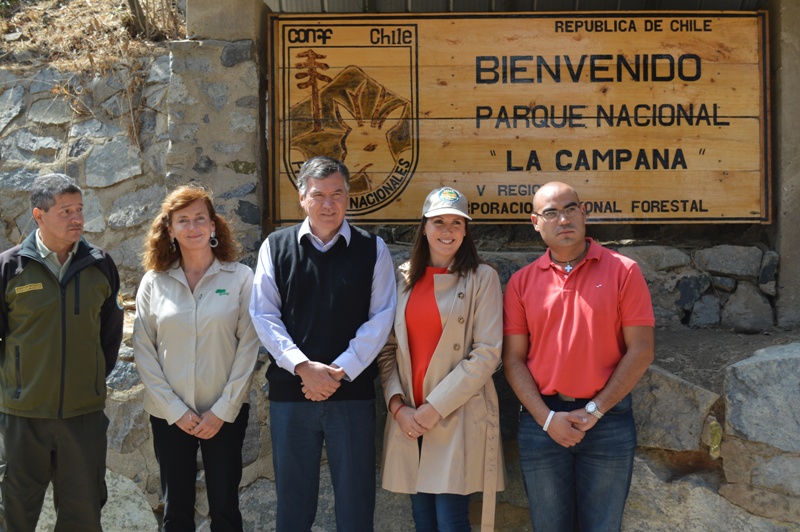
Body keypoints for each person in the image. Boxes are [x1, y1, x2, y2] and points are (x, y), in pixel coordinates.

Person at [249, 155, 396, 532]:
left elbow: (381, 318)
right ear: (301, 197)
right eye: (318, 195)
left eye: (337, 194)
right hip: (291, 396)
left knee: (356, 506)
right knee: (294, 508)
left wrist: (338, 371)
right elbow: (264, 315)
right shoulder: (276, 247)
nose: (328, 204)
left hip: (352, 395)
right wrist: (303, 367)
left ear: (349, 198)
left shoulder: (372, 249)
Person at [502, 181, 655, 532]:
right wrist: (546, 419)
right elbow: (513, 360)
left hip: (608, 422)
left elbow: (642, 349)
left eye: (571, 209)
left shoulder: (623, 271)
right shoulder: (521, 283)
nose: (563, 219)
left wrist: (594, 410)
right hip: (542, 425)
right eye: (551, 213)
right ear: (535, 222)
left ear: (584, 213)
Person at [0, 173, 124, 531]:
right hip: (23, 418)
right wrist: (16, 388)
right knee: (14, 514)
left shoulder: (100, 265)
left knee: (83, 516)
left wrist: (87, 383)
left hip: (82, 417)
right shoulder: (10, 268)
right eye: (66, 210)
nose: (77, 219)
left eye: (80, 209)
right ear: (39, 215)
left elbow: (109, 337)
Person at [132, 185, 259, 531]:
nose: (193, 227)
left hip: (224, 415)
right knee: (176, 513)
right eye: (182, 220)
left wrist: (222, 411)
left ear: (214, 225)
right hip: (169, 416)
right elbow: (143, 350)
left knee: (226, 511)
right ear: (169, 229)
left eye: (200, 218)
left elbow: (249, 348)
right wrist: (175, 411)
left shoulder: (241, 279)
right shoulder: (153, 283)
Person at [378, 187, 505, 532]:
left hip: (455, 415)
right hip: (409, 419)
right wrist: (397, 406)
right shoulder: (402, 278)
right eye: (438, 222)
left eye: (456, 223)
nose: (447, 230)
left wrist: (434, 407)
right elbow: (388, 349)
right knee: (423, 521)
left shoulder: (483, 278)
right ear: (423, 227)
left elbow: (487, 353)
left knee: (451, 521)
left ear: (466, 231)